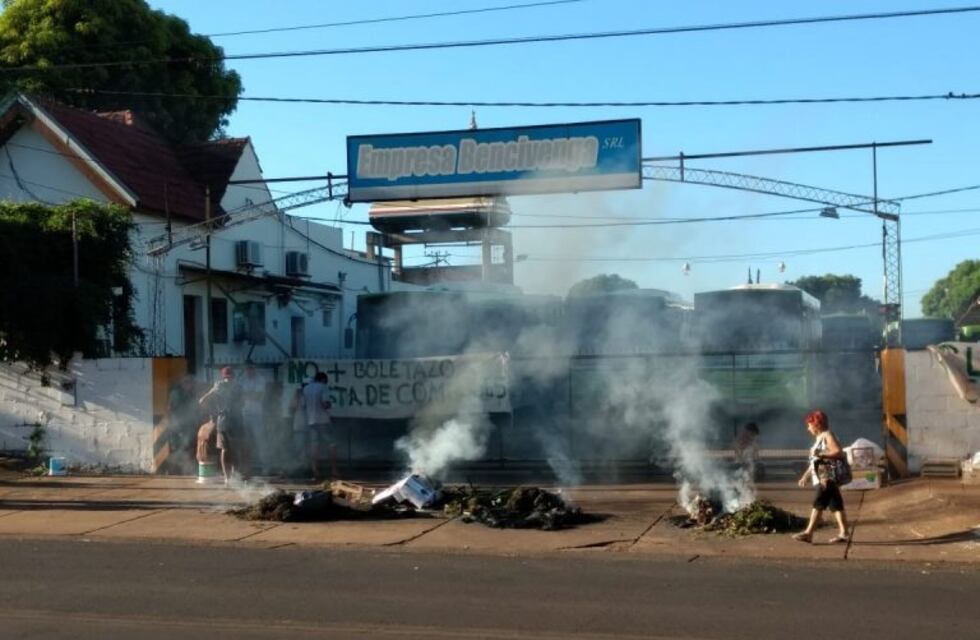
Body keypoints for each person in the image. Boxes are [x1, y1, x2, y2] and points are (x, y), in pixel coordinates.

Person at [792, 409, 850, 544]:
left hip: (826, 476)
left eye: (809, 425)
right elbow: (814, 461)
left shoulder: (827, 435)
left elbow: (838, 452)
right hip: (822, 475)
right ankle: (844, 533)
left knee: (818, 503)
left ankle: (809, 533)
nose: (808, 429)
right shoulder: (819, 438)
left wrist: (822, 454)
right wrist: (805, 476)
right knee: (836, 505)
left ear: (816, 424)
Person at [199, 366, 245, 485]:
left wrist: (213, 413)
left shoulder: (222, 386)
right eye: (228, 377)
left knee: (230, 449)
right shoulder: (229, 386)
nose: (228, 380)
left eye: (229, 377)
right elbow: (203, 400)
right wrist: (213, 413)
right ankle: (230, 478)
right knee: (229, 449)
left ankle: (231, 477)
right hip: (229, 420)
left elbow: (202, 400)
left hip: (228, 420)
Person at [302, 371, 338, 481]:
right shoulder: (323, 387)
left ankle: (315, 471)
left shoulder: (306, 389)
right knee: (332, 444)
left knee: (314, 446)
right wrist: (330, 405)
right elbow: (325, 403)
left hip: (311, 421)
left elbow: (303, 405)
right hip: (323, 420)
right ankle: (334, 470)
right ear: (323, 380)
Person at [167, 375, 199, 473]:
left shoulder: (187, 394)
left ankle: (185, 470)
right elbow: (170, 408)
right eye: (190, 383)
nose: (191, 386)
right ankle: (175, 471)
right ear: (184, 384)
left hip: (183, 425)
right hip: (179, 424)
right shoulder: (177, 394)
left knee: (185, 448)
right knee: (178, 448)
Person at [240, 365, 267, 474]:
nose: (249, 371)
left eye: (250, 369)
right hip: (245, 414)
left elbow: (259, 396)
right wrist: (251, 394)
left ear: (254, 369)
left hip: (257, 414)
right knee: (246, 441)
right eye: (247, 369)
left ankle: (265, 466)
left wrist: (246, 394)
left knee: (260, 440)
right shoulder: (242, 379)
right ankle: (247, 466)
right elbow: (240, 396)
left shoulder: (261, 379)